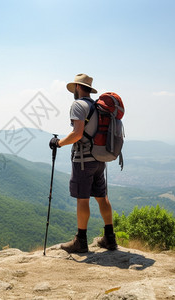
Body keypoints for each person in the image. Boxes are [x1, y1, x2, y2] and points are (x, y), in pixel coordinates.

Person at [49, 73, 117, 253]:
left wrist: (59, 143)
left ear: (78, 87)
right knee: (102, 197)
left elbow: (77, 134)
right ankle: (110, 238)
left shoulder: (78, 105)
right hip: (100, 158)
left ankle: (81, 240)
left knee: (82, 199)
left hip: (83, 160)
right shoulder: (97, 106)